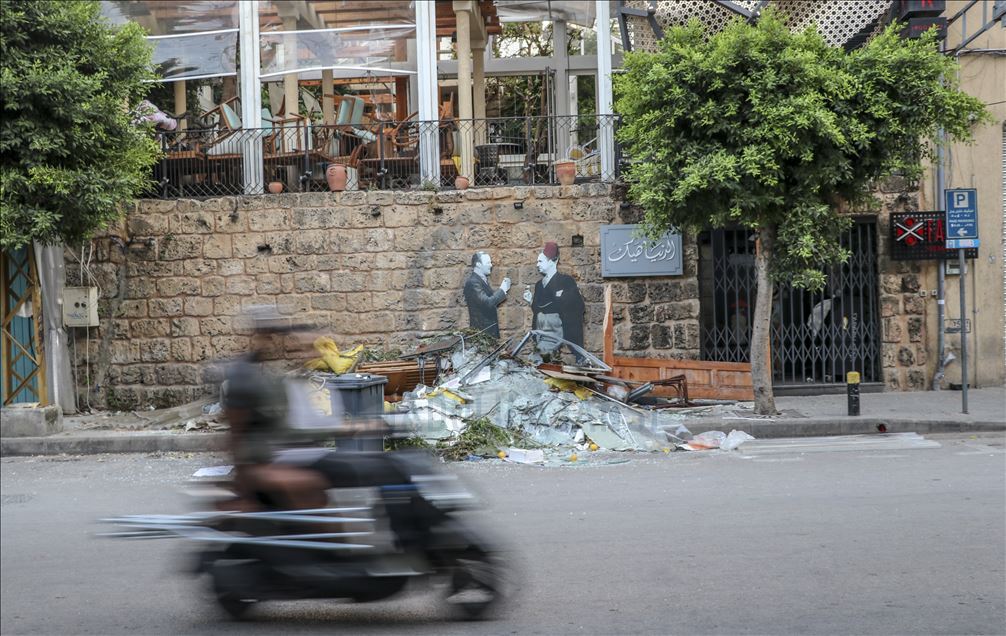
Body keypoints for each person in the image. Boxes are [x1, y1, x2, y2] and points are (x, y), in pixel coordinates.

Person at [523, 242, 585, 359]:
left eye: (540, 261)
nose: (537, 265)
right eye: (537, 261)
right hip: (541, 332)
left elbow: (577, 306)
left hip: (557, 331)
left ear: (553, 261)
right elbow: (538, 309)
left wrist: (557, 303)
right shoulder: (539, 285)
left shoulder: (566, 281)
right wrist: (531, 301)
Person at [463, 251, 511, 339]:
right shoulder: (473, 282)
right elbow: (488, 303)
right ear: (478, 264)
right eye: (488, 263)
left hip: (488, 332)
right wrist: (502, 290)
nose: (491, 265)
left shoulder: (481, 280)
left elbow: (492, 301)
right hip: (482, 334)